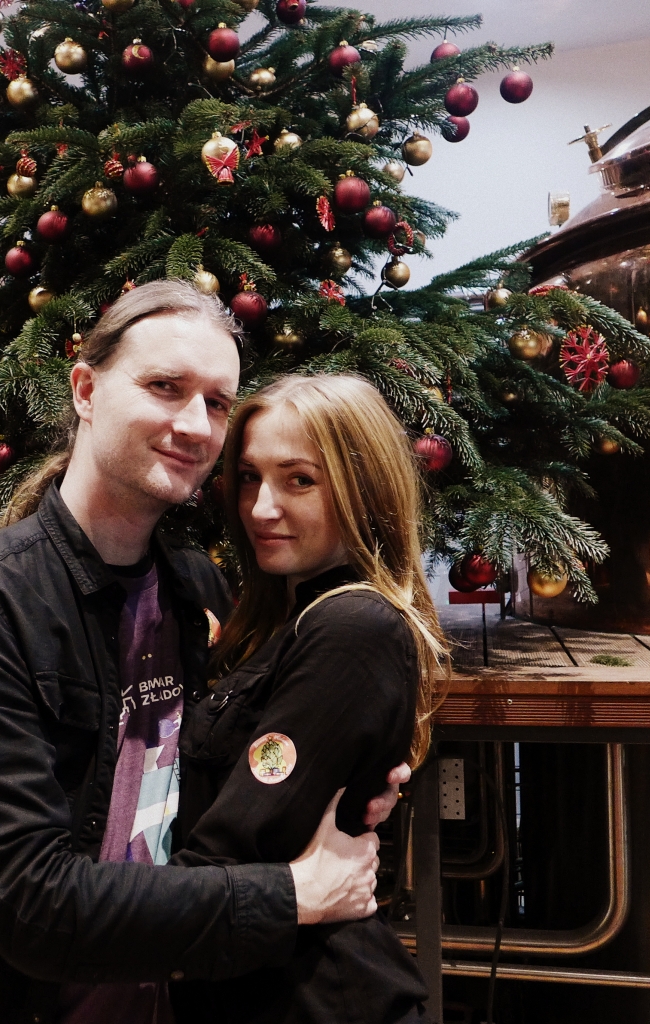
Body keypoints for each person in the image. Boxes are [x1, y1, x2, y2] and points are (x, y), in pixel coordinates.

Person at [0, 280, 408, 1024]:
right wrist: (294, 895)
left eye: (217, 403)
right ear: (86, 390)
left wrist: (356, 789)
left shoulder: (202, 591)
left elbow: (248, 790)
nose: (194, 424)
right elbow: (30, 902)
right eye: (165, 387)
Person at [168, 373, 448, 1022]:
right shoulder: (281, 620)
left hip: (315, 997)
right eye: (249, 477)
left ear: (363, 489)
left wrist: (66, 905)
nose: (261, 508)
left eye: (299, 480)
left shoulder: (352, 627)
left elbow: (236, 848)